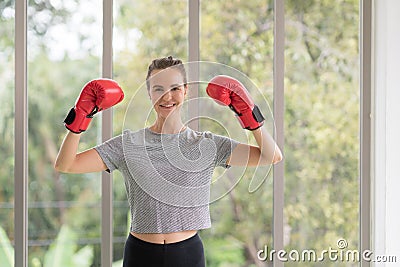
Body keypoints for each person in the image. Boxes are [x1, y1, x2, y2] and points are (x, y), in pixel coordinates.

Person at [54, 56, 282, 267]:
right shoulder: (128, 144)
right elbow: (66, 164)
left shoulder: (207, 145)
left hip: (188, 253)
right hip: (140, 253)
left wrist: (250, 116)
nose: (167, 96)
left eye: (174, 88)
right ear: (149, 93)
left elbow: (272, 156)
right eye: (158, 89)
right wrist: (81, 116)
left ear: (186, 91)